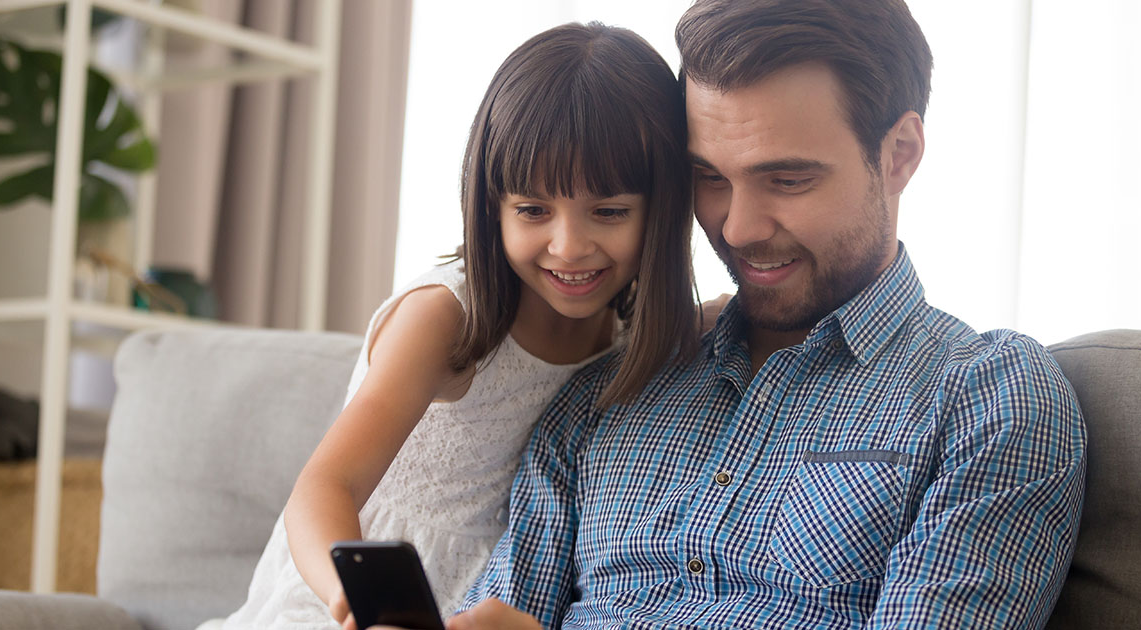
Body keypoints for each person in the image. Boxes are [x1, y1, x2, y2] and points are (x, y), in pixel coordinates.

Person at [453, 0, 1087, 628]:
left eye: (786, 179)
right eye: (710, 177)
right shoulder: (603, 397)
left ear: (899, 154)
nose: (738, 227)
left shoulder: (986, 395)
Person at [213, 22, 698, 630]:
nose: (569, 246)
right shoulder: (446, 317)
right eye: (533, 210)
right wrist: (353, 601)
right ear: (490, 202)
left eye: (608, 212)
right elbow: (322, 488)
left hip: (484, 609)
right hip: (350, 601)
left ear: (664, 208)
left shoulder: (631, 338)